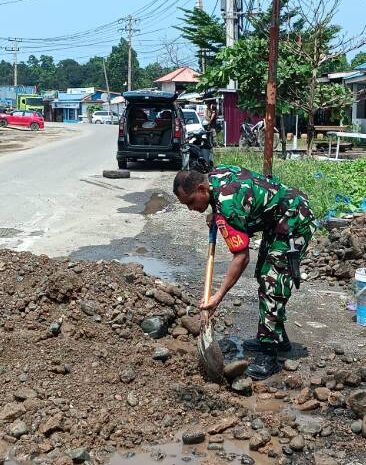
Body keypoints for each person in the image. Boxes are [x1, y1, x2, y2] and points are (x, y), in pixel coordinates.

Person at [173, 165, 316, 380]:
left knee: (272, 280)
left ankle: (269, 355)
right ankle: (279, 338)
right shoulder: (215, 179)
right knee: (263, 274)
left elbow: (241, 257)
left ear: (202, 189)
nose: (191, 209)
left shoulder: (227, 205)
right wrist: (216, 213)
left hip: (294, 219)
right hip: (276, 219)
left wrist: (217, 297)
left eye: (191, 202)